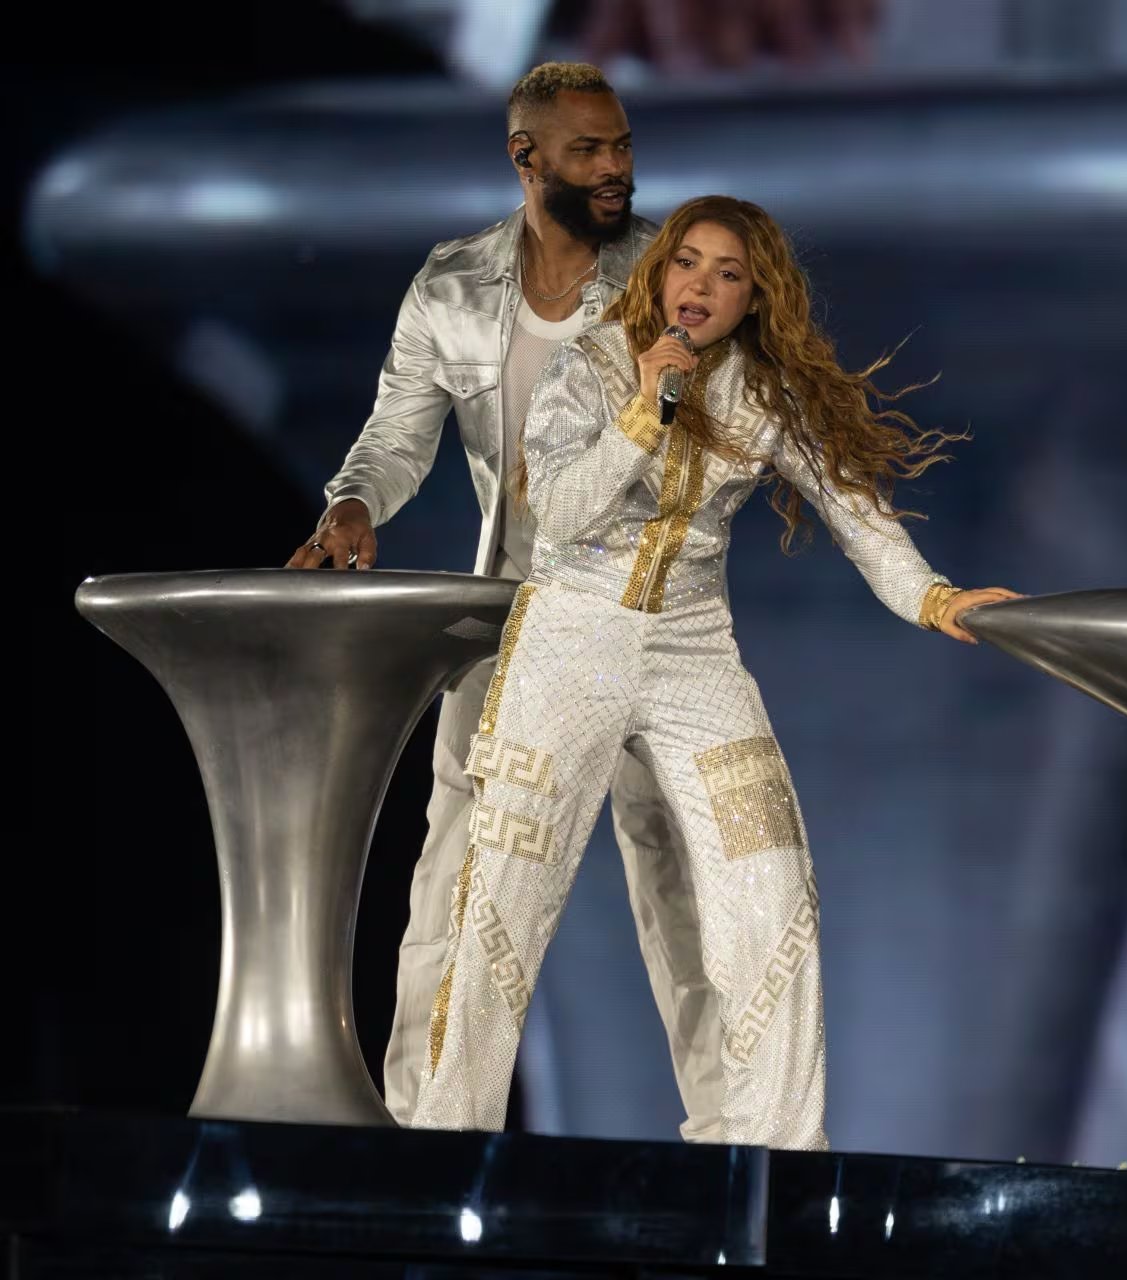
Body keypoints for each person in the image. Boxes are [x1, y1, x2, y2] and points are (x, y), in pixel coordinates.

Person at [408, 194, 1018, 1144]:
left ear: (753, 301)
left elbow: (859, 515)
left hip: (693, 651)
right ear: (659, 274)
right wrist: (646, 411)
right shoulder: (594, 365)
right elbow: (562, 513)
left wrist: (937, 600)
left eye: (728, 274)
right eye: (688, 261)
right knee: (505, 897)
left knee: (770, 881)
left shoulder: (765, 396)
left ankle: (778, 1156)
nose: (701, 284)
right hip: (572, 638)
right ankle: (448, 1143)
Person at [283, 62, 724, 1130]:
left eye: (622, 146)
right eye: (590, 150)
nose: (617, 168)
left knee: (683, 879)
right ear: (527, 158)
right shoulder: (452, 286)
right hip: (507, 624)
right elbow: (397, 433)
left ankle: (737, 1136)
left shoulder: (677, 276)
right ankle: (426, 1134)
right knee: (457, 875)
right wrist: (351, 503)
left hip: (644, 617)